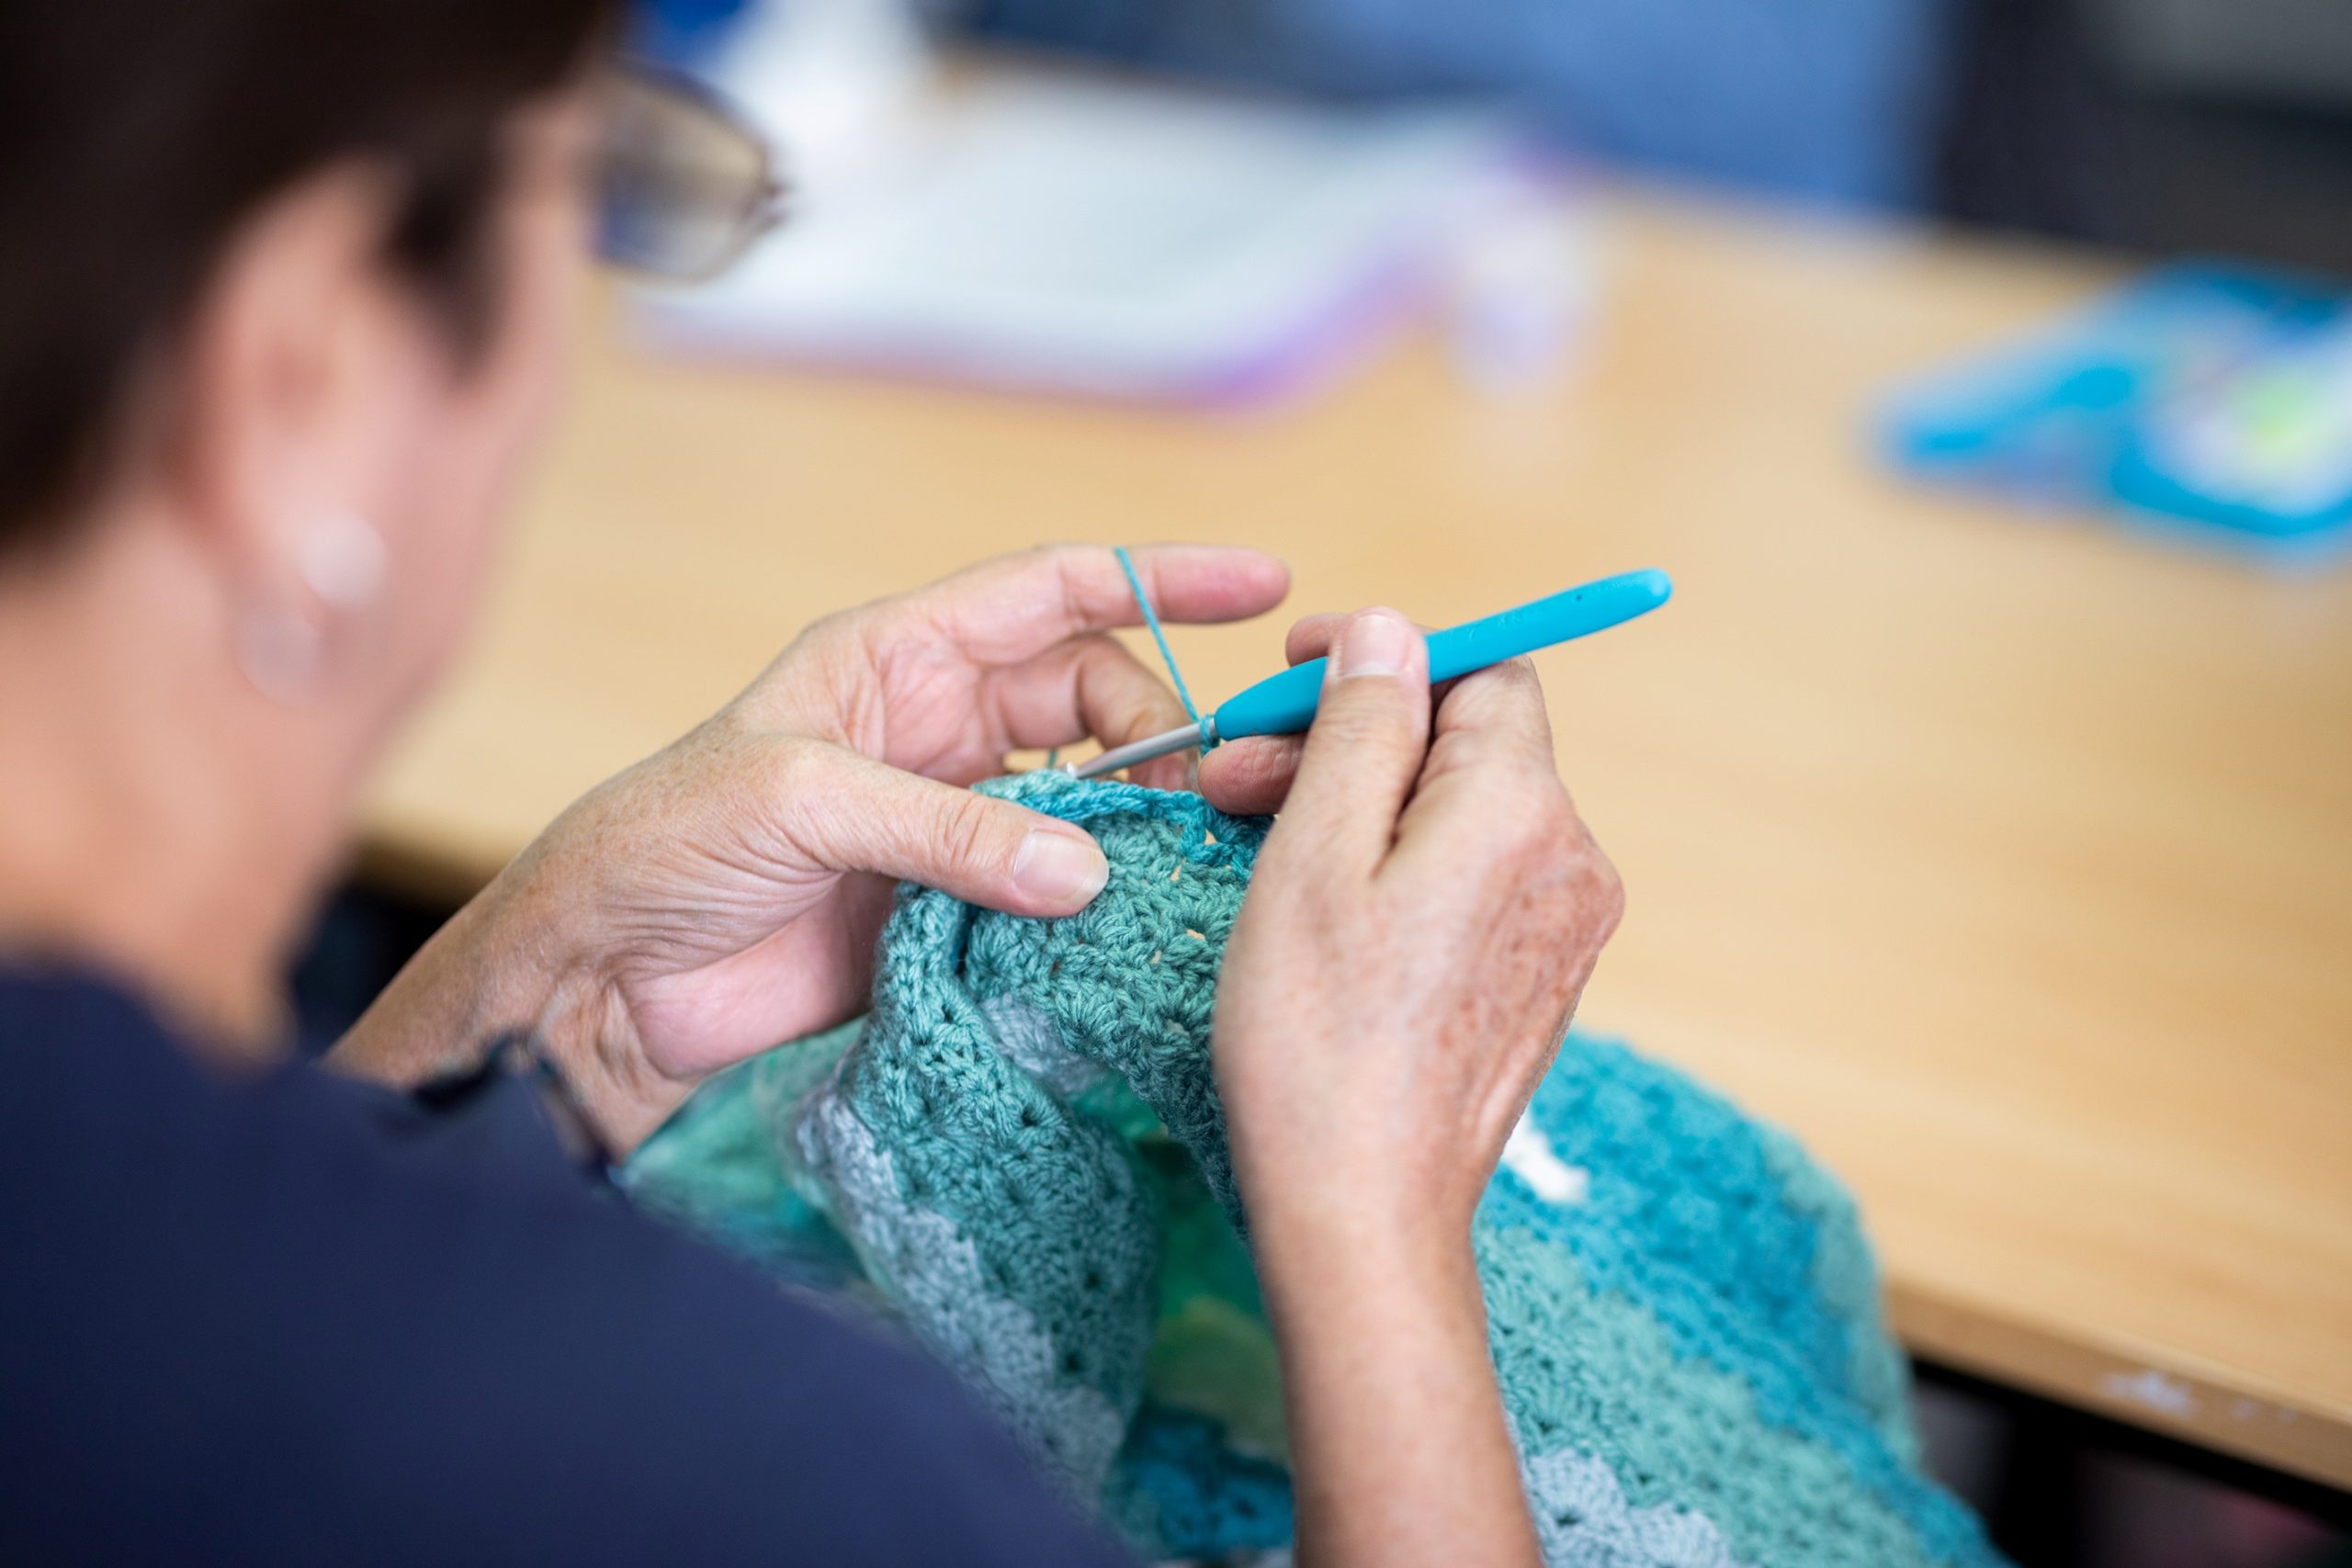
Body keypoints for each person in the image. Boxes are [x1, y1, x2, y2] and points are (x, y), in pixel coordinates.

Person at [0, 4, 1623, 1565]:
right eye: (592, 198)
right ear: (302, 376)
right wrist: (1375, 1227)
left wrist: (565, 1001)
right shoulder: (763, 1476)